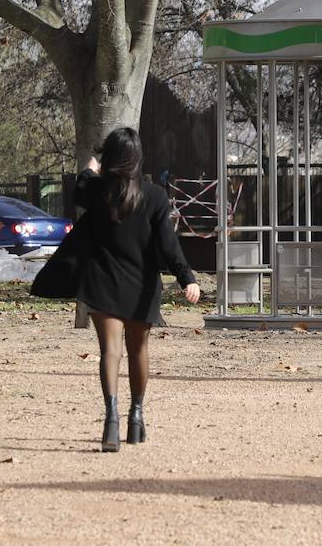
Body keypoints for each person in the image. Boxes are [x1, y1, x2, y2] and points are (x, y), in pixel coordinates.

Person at [73, 126, 200, 452]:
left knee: (110, 351)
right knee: (138, 351)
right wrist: (187, 278)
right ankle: (136, 416)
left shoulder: (95, 190)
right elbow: (168, 245)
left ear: (109, 158)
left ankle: (111, 419)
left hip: (101, 282)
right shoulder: (155, 195)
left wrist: (90, 169)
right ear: (138, 158)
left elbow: (80, 188)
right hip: (141, 284)